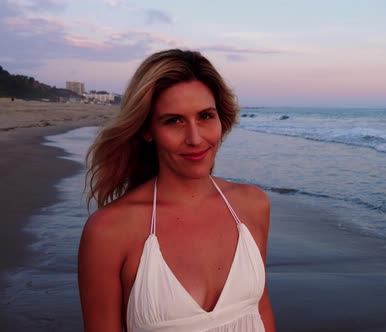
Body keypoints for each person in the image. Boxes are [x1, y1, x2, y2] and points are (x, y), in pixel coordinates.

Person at [78, 49, 275, 332]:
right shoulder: (109, 231)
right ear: (147, 130)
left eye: (206, 116)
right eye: (174, 121)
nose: (195, 139)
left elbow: (261, 309)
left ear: (221, 119)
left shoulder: (253, 205)